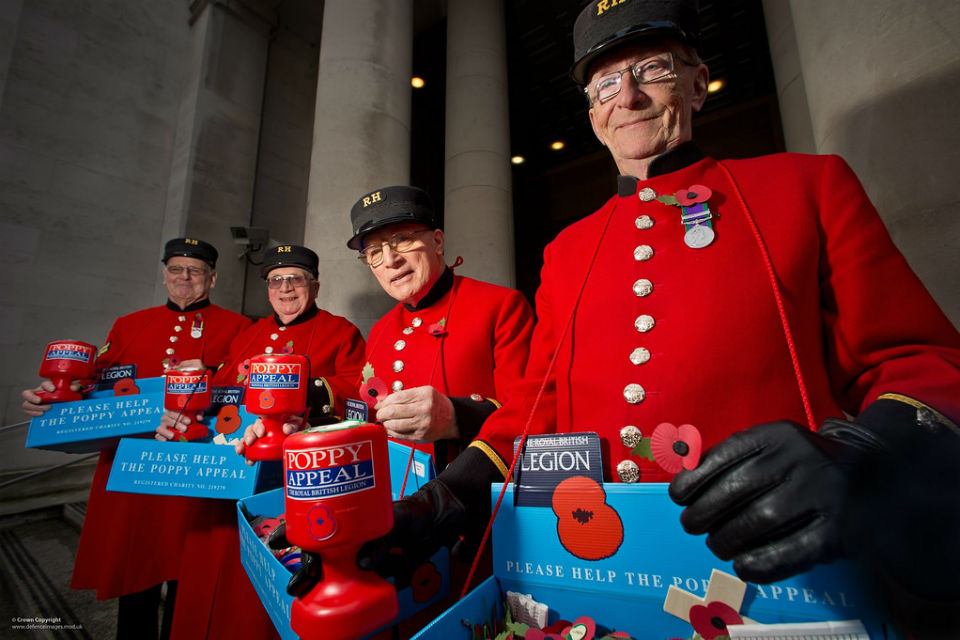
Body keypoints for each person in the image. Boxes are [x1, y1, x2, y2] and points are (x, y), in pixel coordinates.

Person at [360, 0, 960, 633]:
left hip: (782, 583)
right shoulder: (567, 251)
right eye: (607, 83)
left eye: (652, 68)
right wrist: (443, 500)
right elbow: (534, 417)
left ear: (698, 82)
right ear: (592, 113)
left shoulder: (806, 188)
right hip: (601, 579)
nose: (630, 96)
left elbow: (924, 364)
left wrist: (860, 452)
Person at [21, 237, 252, 639]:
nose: (184, 277)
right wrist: (54, 395)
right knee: (135, 570)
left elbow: (245, 386)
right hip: (131, 468)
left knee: (189, 575)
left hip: (193, 470)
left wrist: (211, 372)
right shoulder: (129, 324)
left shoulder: (239, 327)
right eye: (176, 268)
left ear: (211, 279)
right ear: (164, 275)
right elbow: (92, 384)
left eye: (195, 271)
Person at [159, 244, 366, 639]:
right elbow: (222, 392)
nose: (285, 288)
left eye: (295, 279)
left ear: (315, 286)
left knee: (261, 604)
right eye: (275, 280)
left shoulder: (341, 332)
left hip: (292, 486)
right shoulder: (249, 335)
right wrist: (188, 400)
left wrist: (305, 393)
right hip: (230, 478)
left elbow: (356, 390)